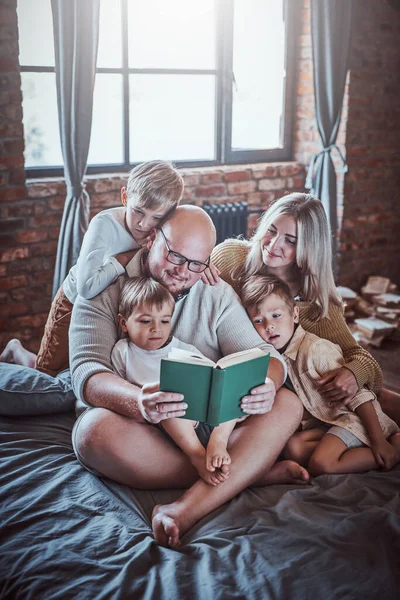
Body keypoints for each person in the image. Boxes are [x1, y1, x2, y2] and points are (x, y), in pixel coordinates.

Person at [70, 205, 305, 548]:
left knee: (286, 403)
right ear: (152, 239)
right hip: (137, 427)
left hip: (207, 428)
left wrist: (267, 384)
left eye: (197, 263)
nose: (183, 272)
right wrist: (139, 402)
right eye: (176, 257)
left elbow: (266, 357)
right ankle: (249, 472)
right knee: (93, 434)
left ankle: (183, 508)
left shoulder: (213, 289)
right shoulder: (104, 282)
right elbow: (86, 372)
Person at [211, 192, 400, 426]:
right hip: (229, 368)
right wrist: (199, 268)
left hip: (286, 388)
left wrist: (354, 373)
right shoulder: (230, 258)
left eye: (290, 241)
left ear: (309, 249)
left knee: (377, 396)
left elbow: (361, 357)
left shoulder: (317, 303)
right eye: (272, 230)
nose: (274, 244)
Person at [0, 160, 184, 376]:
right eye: (138, 211)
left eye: (156, 217)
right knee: (47, 374)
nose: (144, 224)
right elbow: (86, 287)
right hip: (73, 302)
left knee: (77, 373)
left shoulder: (162, 226)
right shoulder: (104, 225)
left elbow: (188, 247)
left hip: (112, 308)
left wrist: (206, 265)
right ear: (124, 197)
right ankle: (16, 351)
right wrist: (121, 260)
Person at [241, 275, 400, 474]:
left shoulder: (315, 349)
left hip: (352, 418)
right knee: (294, 448)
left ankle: (392, 447)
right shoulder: (273, 359)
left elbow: (359, 394)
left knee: (322, 464)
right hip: (327, 421)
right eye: (258, 320)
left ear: (295, 314)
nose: (269, 325)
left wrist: (378, 441)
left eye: (276, 315)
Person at [111, 275, 244, 486]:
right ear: (123, 323)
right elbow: (119, 392)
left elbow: (215, 379)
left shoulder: (183, 350)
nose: (157, 328)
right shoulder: (122, 352)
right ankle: (197, 456)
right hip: (163, 428)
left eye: (164, 320)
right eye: (146, 321)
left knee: (232, 393)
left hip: (202, 421)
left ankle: (219, 440)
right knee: (168, 405)